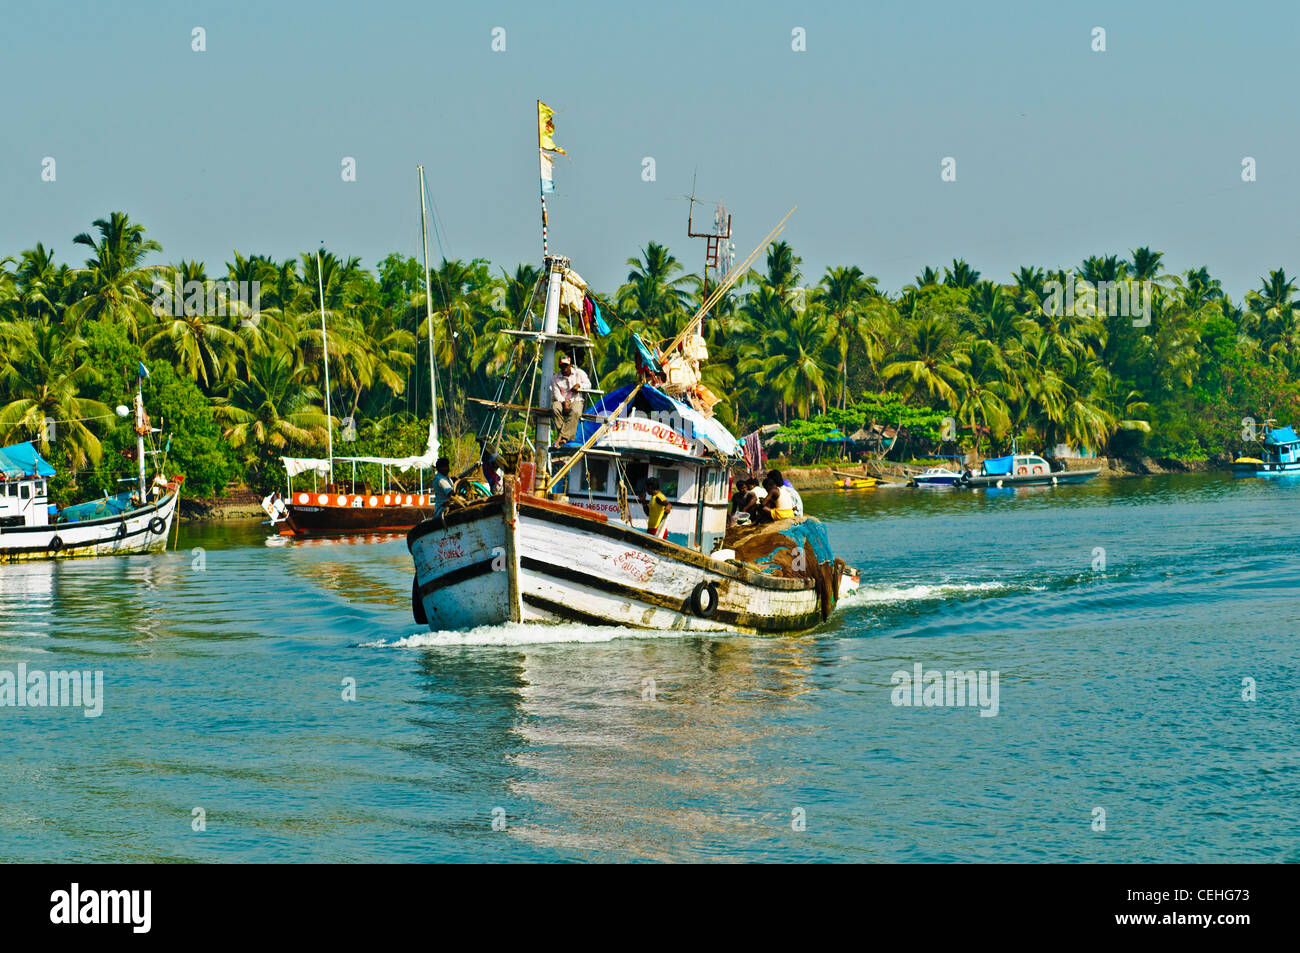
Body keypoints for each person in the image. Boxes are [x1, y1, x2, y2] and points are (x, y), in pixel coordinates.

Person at [550, 353, 592, 447]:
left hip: (576, 400)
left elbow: (588, 384)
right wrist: (564, 402)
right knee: (555, 408)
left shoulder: (579, 373)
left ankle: (562, 437)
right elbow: (556, 394)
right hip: (562, 400)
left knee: (575, 411)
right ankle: (564, 437)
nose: (564, 367)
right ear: (560, 366)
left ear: (570, 365)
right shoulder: (555, 378)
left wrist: (580, 386)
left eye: (566, 365)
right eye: (562, 365)